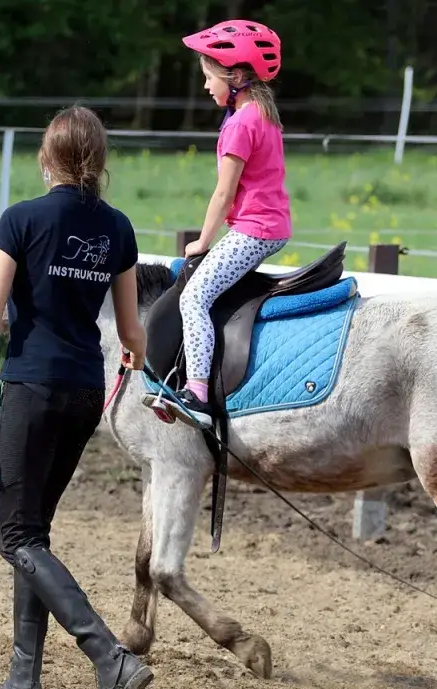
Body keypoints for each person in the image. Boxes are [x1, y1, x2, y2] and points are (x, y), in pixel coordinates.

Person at [0, 105, 152, 689]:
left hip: (32, 389)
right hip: (87, 390)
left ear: (46, 158)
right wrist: (139, 367)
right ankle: (21, 686)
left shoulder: (21, 220)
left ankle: (107, 654)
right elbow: (132, 331)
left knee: (16, 537)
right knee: (33, 533)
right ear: (99, 162)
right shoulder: (118, 228)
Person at [152, 19, 292, 429]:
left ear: (234, 76)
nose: (206, 86)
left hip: (254, 229)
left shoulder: (240, 125)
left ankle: (197, 395)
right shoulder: (262, 115)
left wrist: (203, 240)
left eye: (209, 77)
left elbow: (224, 194)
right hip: (267, 226)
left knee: (193, 299)